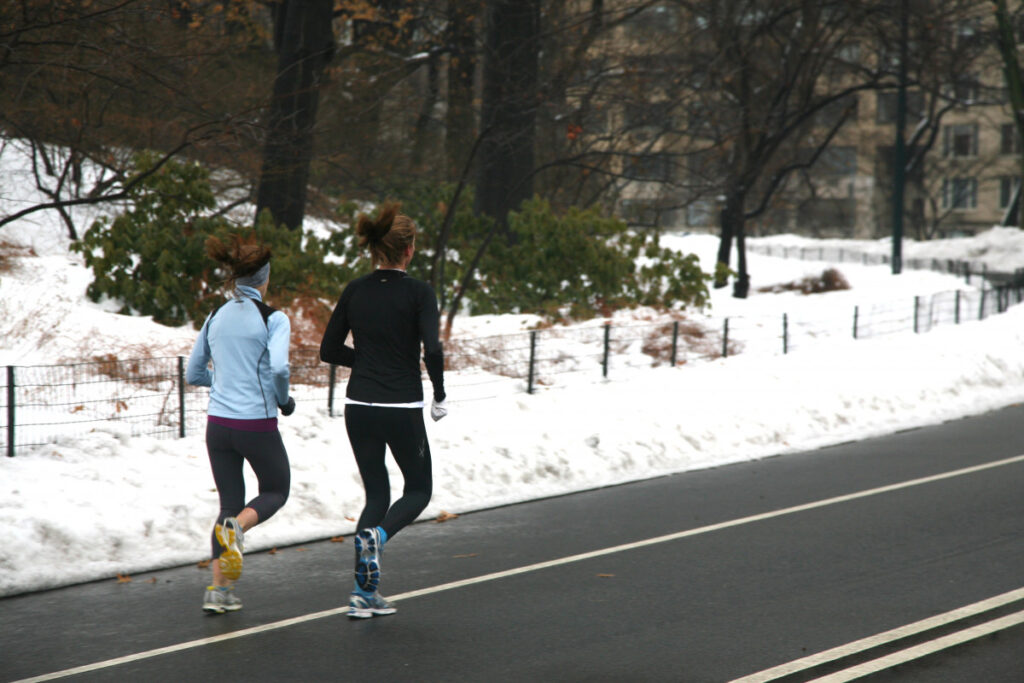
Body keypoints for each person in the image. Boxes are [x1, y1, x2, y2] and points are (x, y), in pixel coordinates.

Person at [319, 203, 447, 619]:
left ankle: (362, 594)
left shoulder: (356, 289)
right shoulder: (419, 293)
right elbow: (434, 349)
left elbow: (329, 350)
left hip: (358, 405)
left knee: (376, 492)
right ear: (408, 249)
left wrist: (369, 360)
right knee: (419, 490)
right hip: (401, 406)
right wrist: (440, 394)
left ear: (376, 250)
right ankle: (379, 535)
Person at [186, 234, 295, 615]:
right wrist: (283, 400)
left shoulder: (216, 315)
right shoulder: (273, 318)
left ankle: (218, 591)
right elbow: (280, 367)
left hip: (218, 426)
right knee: (276, 489)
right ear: (264, 279)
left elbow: (193, 372)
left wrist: (223, 383)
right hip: (256, 425)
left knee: (228, 503)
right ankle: (237, 530)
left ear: (235, 279)